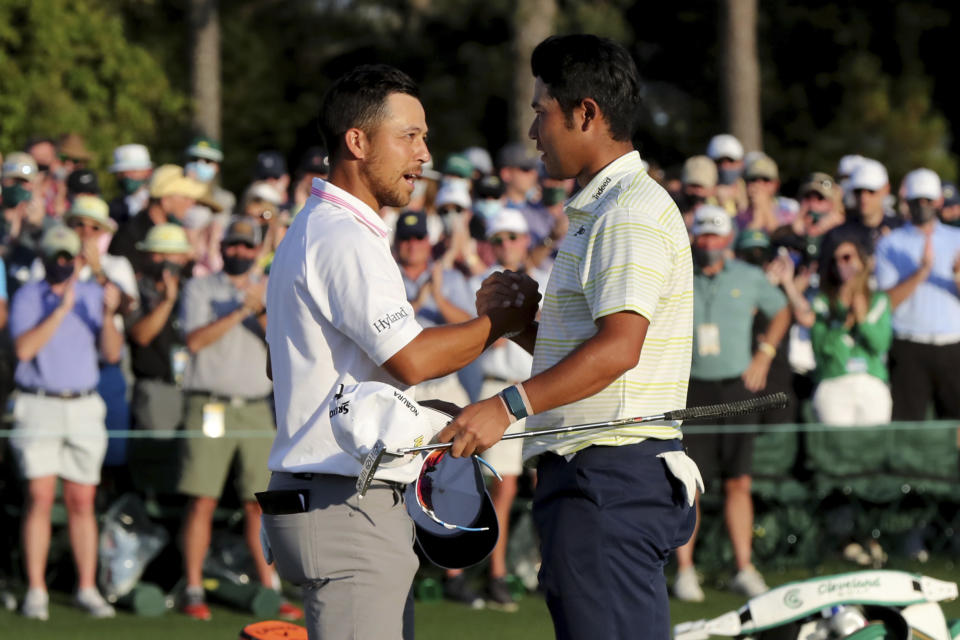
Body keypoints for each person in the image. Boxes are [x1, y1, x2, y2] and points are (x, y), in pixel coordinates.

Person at [261, 64, 538, 640]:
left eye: (424, 135)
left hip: (335, 496)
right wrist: (500, 322)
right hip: (346, 504)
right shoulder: (341, 234)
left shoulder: (322, 227)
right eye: (409, 136)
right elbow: (410, 359)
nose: (424, 153)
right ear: (356, 142)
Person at [437, 35, 698, 640]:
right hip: (595, 476)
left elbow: (619, 350)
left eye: (540, 111)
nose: (533, 132)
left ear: (585, 113)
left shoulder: (626, 211)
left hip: (608, 476)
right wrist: (525, 323)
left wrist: (505, 407)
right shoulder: (604, 207)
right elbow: (598, 357)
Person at [176, 218, 299, 621]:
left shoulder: (267, 290)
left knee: (259, 504)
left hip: (255, 407)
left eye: (248, 247)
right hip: (209, 405)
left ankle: (271, 588)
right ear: (223, 247)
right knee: (203, 501)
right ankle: (193, 587)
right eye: (234, 245)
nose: (240, 252)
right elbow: (194, 341)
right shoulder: (199, 287)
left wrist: (259, 308)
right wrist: (237, 311)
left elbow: (281, 341)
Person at [673, 205, 791, 603]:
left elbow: (782, 311)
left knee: (739, 481)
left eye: (715, 236)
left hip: (737, 388)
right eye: (702, 235)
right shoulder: (678, 274)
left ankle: (743, 567)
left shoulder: (749, 276)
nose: (708, 243)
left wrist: (765, 353)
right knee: (690, 484)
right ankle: (685, 571)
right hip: (692, 389)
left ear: (727, 239)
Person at [9, 225, 123, 621]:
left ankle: (87, 588)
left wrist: (108, 314)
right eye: (55, 256)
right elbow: (24, 349)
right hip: (38, 404)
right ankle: (37, 591)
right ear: (44, 258)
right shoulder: (28, 295)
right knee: (39, 499)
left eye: (67, 256)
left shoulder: (94, 295)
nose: (62, 263)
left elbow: (111, 353)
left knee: (82, 501)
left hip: (83, 406)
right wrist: (59, 309)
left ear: (77, 258)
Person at [468, 208, 550, 612]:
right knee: (504, 488)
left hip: (542, 392)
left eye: (513, 238)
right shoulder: (482, 284)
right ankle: (496, 573)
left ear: (524, 241)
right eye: (498, 240)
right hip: (499, 391)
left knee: (546, 485)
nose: (506, 246)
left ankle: (541, 565)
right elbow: (492, 341)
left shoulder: (547, 278)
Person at [875, 168, 960, 421]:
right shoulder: (890, 244)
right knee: (908, 425)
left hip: (953, 345)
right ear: (907, 203)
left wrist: (957, 277)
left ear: (939, 202)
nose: (922, 206)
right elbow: (885, 303)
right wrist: (921, 273)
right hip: (908, 345)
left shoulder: (957, 239)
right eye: (916, 201)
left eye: (928, 201)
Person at [809, 233, 892, 424]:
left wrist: (862, 320)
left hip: (871, 380)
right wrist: (842, 322)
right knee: (837, 446)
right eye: (836, 260)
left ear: (861, 261)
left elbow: (881, 345)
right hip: (834, 380)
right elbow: (821, 348)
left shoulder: (879, 300)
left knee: (874, 445)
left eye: (847, 257)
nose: (842, 264)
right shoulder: (823, 302)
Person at [109, 164, 208, 274]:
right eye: (186, 197)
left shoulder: (181, 232)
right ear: (165, 199)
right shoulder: (129, 235)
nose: (191, 203)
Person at [106, 144, 154, 226]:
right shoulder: (112, 207)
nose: (127, 176)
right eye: (122, 173)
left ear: (148, 171)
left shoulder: (157, 202)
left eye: (133, 171)